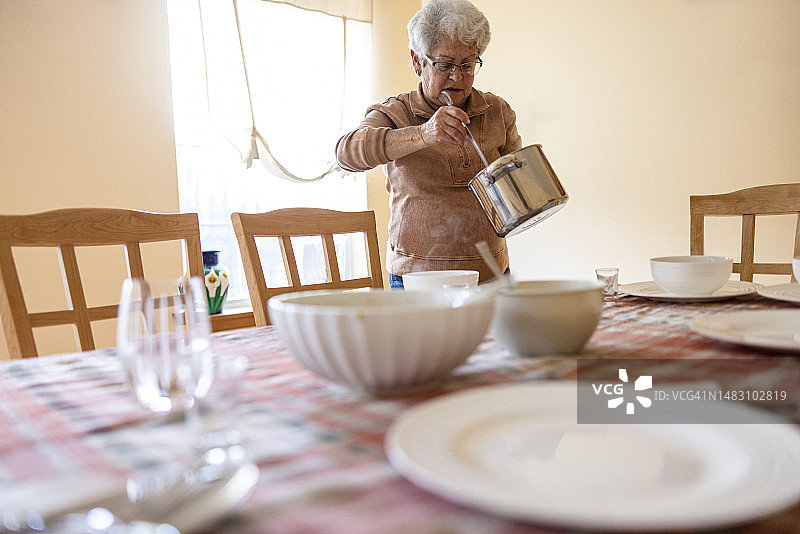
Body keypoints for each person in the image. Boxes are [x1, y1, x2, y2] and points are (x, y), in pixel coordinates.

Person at [335, 0, 522, 288]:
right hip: (416, 278)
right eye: (445, 65)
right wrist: (423, 134)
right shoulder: (395, 112)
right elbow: (346, 152)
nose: (457, 76)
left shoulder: (498, 111)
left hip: (491, 275)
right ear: (417, 61)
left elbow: (517, 185)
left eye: (467, 65)